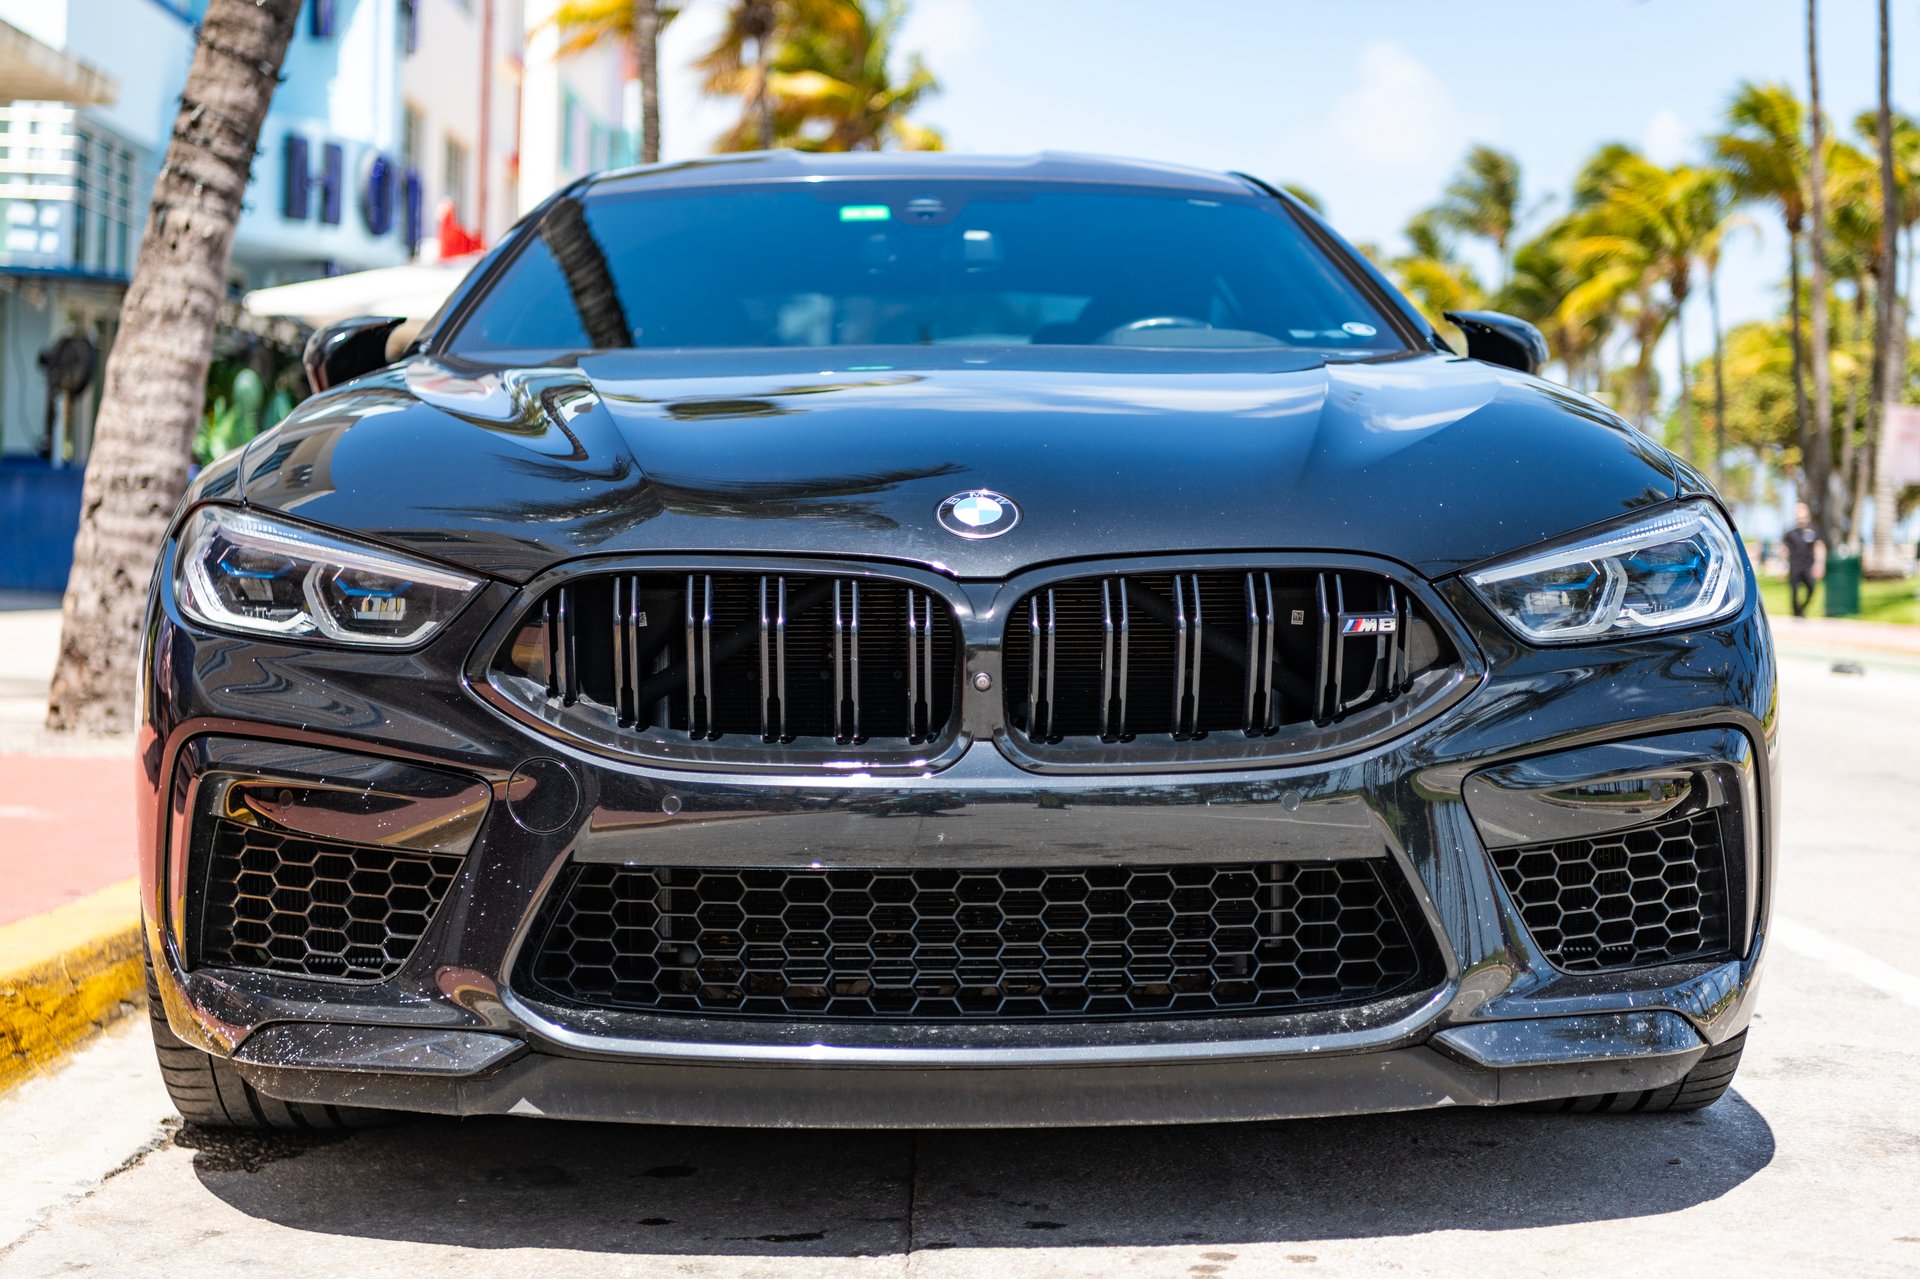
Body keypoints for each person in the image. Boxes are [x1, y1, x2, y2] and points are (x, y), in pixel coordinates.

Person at [1783, 501, 1825, 618]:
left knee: (1811, 587)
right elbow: (1784, 549)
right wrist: (1782, 565)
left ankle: (1801, 609)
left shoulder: (1814, 531)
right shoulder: (1790, 533)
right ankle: (1797, 613)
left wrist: (1819, 564)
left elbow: (1819, 547)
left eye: (1802, 512)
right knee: (1794, 591)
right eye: (1797, 513)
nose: (1799, 516)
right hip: (1794, 565)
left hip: (1808, 566)